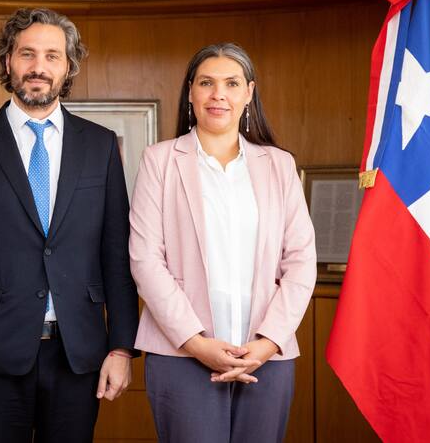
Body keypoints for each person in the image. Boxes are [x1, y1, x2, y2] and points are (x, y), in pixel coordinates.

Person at [0, 8, 140, 443]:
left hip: (78, 355)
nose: (39, 67)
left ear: (68, 67)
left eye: (52, 56)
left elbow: (116, 254)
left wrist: (121, 346)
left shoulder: (100, 146)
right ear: (8, 62)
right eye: (27, 54)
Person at [129, 43, 316, 443]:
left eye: (231, 83)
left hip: (268, 355)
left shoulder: (279, 165)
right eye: (207, 83)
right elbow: (145, 260)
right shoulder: (159, 161)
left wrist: (267, 343)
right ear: (191, 92)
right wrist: (197, 344)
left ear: (248, 93)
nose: (219, 95)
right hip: (181, 353)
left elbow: (301, 261)